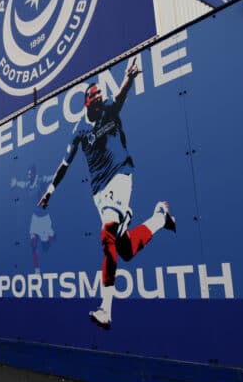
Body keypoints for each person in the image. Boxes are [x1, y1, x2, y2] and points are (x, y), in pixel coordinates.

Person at [39, 59, 176, 329]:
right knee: (123, 250)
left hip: (121, 176)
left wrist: (129, 78)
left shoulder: (110, 111)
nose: (102, 104)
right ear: (88, 103)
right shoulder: (79, 130)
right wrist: (50, 191)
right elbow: (64, 164)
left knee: (106, 236)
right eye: (97, 101)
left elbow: (122, 95)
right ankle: (160, 218)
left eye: (103, 99)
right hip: (99, 192)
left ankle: (106, 310)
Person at [11, 164, 55, 274]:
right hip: (35, 219)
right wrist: (16, 183)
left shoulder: (40, 180)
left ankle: (51, 235)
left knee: (45, 247)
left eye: (30, 174)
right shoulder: (28, 184)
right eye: (28, 174)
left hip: (45, 219)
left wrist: (57, 175)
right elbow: (22, 184)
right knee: (33, 244)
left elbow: (51, 178)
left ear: (34, 174)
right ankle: (36, 270)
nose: (29, 176)